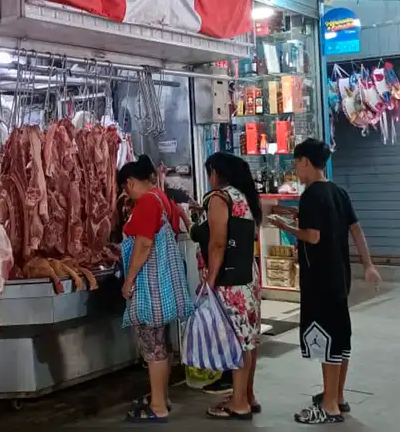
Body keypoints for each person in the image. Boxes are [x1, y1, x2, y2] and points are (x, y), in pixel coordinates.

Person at [268, 138, 381, 425]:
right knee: (340, 336)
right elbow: (355, 230)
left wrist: (285, 226)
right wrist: (368, 264)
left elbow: (313, 235)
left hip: (319, 278)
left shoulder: (311, 195)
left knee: (326, 339)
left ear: (305, 161)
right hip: (340, 276)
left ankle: (329, 406)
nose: (296, 170)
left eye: (296, 164)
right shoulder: (338, 192)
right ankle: (337, 396)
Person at [190, 152, 261, 421]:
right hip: (247, 278)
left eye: (209, 172)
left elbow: (218, 243)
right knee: (248, 339)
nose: (209, 178)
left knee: (236, 341)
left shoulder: (220, 198)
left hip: (229, 282)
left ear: (217, 173)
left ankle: (238, 403)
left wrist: (209, 281)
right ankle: (247, 396)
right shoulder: (244, 197)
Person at [120, 159, 191, 424]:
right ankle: (161, 397)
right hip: (164, 287)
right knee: (162, 345)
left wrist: (128, 280)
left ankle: (158, 406)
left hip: (151, 287)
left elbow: (144, 243)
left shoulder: (148, 202)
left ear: (130, 183)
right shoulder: (162, 198)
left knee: (153, 347)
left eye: (125, 189)